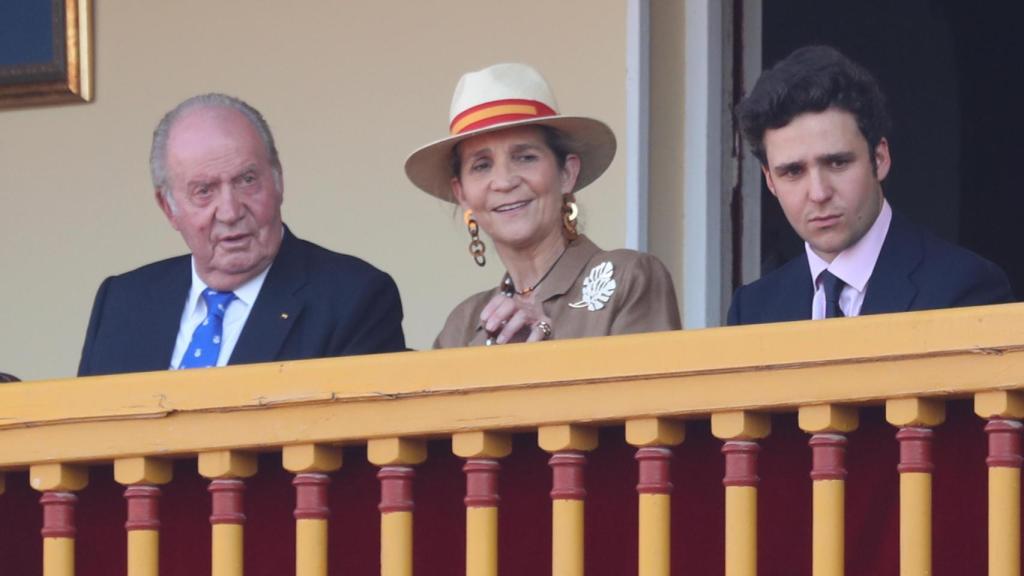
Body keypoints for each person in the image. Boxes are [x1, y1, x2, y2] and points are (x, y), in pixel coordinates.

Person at [78, 94, 405, 376]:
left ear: (278, 182)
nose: (231, 211)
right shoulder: (122, 302)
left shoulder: (354, 297)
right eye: (204, 191)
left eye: (247, 180)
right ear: (168, 208)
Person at [727, 46, 1012, 325]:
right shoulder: (752, 309)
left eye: (837, 163)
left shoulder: (965, 287)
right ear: (769, 180)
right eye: (793, 171)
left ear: (880, 158)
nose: (819, 193)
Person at [405, 63, 680, 347]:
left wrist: (548, 343)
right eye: (482, 165)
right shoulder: (462, 325)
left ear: (566, 173)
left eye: (525, 157)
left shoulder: (628, 278)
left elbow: (649, 392)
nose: (504, 181)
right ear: (462, 194)